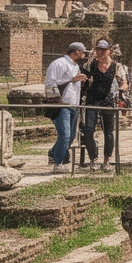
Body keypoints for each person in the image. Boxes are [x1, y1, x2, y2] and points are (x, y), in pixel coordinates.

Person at [80, 39, 126, 170]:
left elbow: (124, 82)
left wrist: (122, 89)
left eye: (103, 50)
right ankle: (93, 157)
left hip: (108, 100)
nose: (100, 52)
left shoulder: (117, 66)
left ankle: (106, 160)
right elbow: (83, 77)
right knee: (88, 129)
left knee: (108, 131)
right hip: (92, 99)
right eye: (98, 49)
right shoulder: (91, 65)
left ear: (109, 51)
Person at [45, 42, 88, 171]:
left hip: (74, 104)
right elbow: (50, 83)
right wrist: (72, 80)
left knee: (71, 136)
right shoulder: (59, 64)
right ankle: (58, 163)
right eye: (83, 52)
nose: (84, 55)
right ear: (76, 52)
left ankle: (54, 153)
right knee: (64, 135)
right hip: (62, 104)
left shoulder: (75, 66)